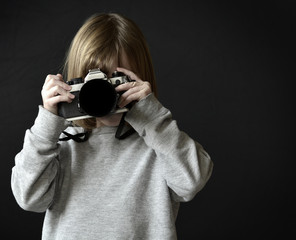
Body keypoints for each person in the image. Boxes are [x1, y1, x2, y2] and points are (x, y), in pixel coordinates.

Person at [11, 13, 213, 240]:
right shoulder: (59, 142)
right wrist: (48, 122)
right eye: (96, 83)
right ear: (76, 83)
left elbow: (191, 182)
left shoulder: (159, 140)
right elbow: (29, 198)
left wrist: (152, 117)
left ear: (140, 79)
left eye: (115, 80)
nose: (104, 92)